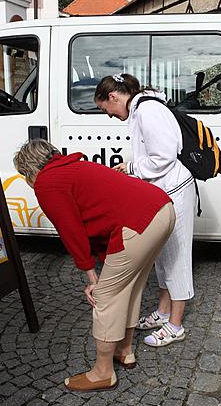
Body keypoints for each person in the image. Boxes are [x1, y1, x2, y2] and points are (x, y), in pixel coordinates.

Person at [13, 139, 175, 392]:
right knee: (130, 287)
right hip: (161, 209)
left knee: (106, 296)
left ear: (29, 171)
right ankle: (125, 351)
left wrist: (92, 277)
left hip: (139, 221)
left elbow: (71, 231)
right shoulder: (74, 166)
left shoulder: (47, 182)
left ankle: (102, 372)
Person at [94, 73, 196, 348]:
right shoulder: (141, 109)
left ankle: (175, 325)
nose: (110, 116)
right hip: (163, 193)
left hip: (176, 191)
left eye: (107, 109)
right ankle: (164, 312)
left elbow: (164, 155)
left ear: (114, 97)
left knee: (177, 258)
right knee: (162, 256)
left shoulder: (148, 110)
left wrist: (131, 168)